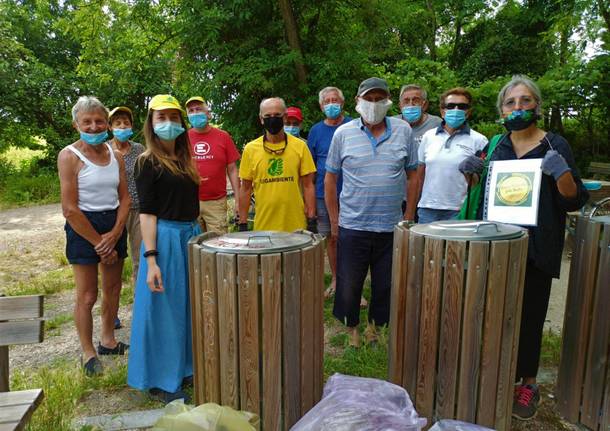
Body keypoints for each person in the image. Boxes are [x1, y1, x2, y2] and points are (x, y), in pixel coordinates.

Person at [460, 75, 588, 420]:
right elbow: (480, 193)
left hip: (536, 247)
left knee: (530, 316)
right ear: (501, 110)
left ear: (538, 106)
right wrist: (470, 173)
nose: (518, 108)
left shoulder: (555, 145)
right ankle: (495, 374)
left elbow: (573, 200)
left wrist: (561, 174)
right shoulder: (497, 145)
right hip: (496, 246)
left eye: (526, 101)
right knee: (493, 313)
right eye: (510, 102)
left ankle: (527, 381)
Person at [325, 77, 418, 347]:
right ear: (357, 102)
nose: (374, 104)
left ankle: (374, 330)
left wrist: (409, 215)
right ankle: (352, 329)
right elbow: (330, 178)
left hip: (391, 225)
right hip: (353, 223)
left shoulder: (403, 131)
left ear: (389, 102)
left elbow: (413, 175)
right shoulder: (343, 134)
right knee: (349, 282)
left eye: (379, 99)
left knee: (385, 283)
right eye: (369, 99)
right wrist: (334, 220)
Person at [127, 94, 201, 403]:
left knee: (186, 307)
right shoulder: (147, 162)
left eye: (173, 117)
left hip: (190, 235)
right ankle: (161, 380)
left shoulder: (185, 159)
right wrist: (151, 259)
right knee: (164, 311)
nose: (168, 123)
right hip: (165, 239)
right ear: (151, 123)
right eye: (161, 118)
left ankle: (184, 367)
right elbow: (146, 213)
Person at [58, 96, 130, 376]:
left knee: (113, 289)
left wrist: (114, 233)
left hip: (113, 223)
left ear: (107, 124)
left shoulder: (117, 156)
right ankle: (88, 352)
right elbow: (69, 208)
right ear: (76, 124)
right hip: (83, 226)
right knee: (87, 295)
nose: (93, 126)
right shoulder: (69, 156)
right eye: (86, 121)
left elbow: (124, 198)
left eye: (99, 120)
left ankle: (108, 340)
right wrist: (99, 242)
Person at [238, 97, 317, 232]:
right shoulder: (251, 149)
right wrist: (242, 223)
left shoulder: (300, 147)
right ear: (261, 119)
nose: (272, 119)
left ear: (285, 117)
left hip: (296, 225)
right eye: (268, 116)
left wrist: (311, 220)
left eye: (277, 115)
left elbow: (308, 185)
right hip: (264, 226)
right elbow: (245, 189)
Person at [307, 86, 354, 300]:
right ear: (321, 105)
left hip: (353, 193)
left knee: (352, 240)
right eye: (327, 101)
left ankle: (353, 285)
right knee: (332, 238)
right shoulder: (316, 131)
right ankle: (336, 279)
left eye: (335, 100)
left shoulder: (354, 125)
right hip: (323, 195)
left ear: (343, 103)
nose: (331, 104)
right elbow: (311, 168)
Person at [416, 87, 488, 224]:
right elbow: (420, 175)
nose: (456, 110)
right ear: (442, 111)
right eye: (450, 106)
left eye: (462, 106)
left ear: (468, 112)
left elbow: (480, 183)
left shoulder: (479, 140)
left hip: (459, 210)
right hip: (428, 209)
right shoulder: (428, 136)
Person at [185, 96, 240, 233]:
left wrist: (238, 199)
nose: (195, 113)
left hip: (216, 202)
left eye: (198, 109)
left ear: (208, 114)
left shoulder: (223, 136)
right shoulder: (182, 139)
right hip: (190, 201)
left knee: (218, 244)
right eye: (191, 110)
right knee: (194, 245)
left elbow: (232, 170)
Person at [108, 107, 144, 285]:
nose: (122, 126)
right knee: (114, 257)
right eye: (118, 123)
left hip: (138, 209)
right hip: (114, 210)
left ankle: (139, 297)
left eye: (126, 123)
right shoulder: (104, 149)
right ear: (110, 127)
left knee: (140, 255)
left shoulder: (139, 149)